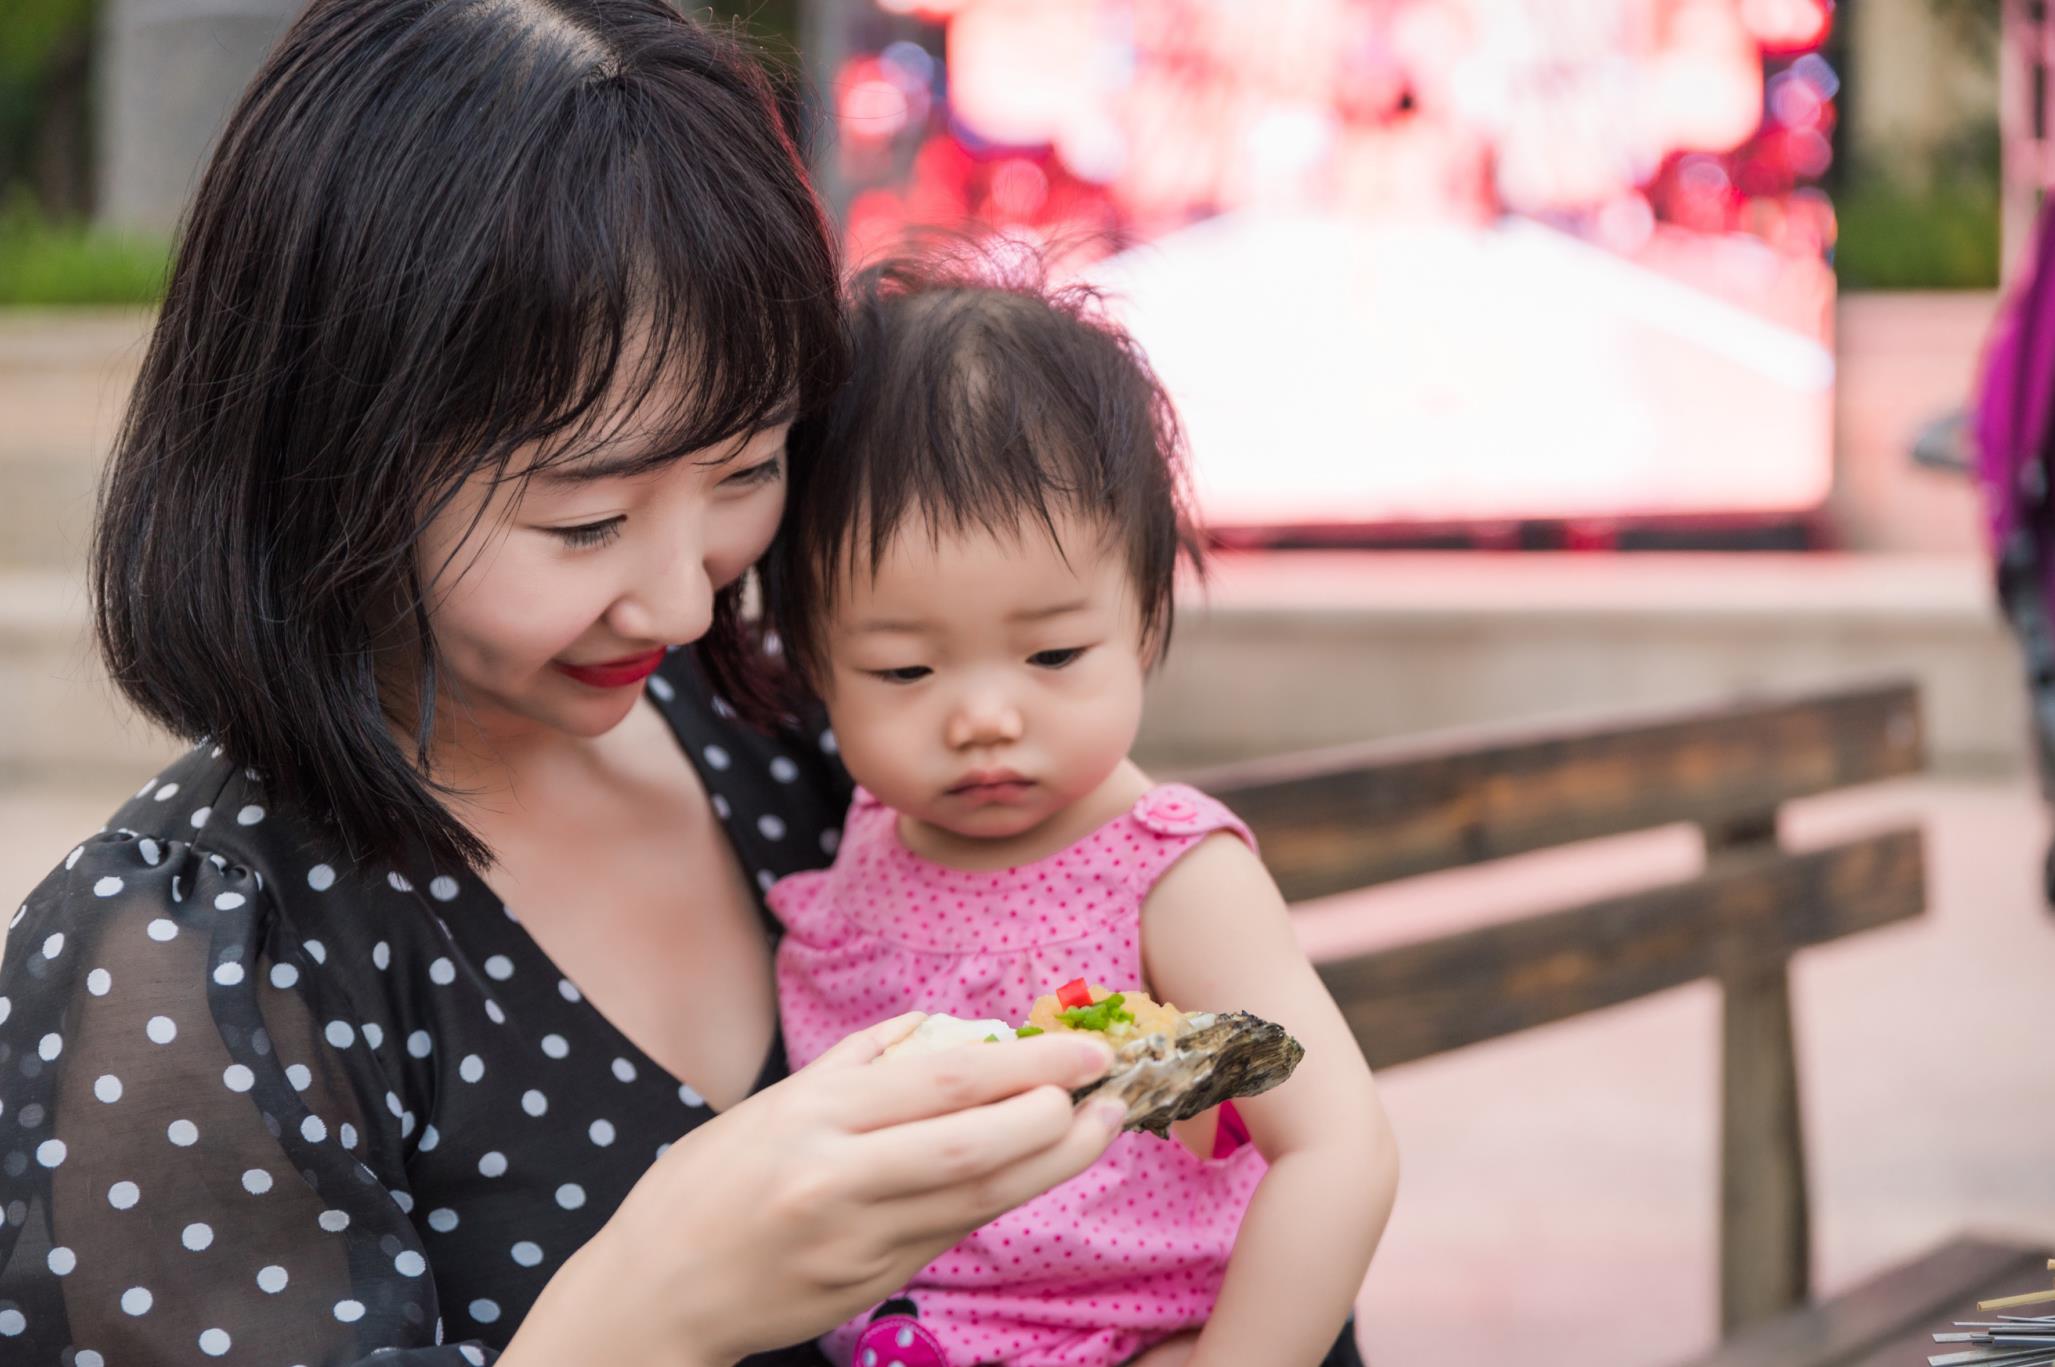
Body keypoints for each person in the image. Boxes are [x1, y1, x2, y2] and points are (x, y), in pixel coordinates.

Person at [0, 5, 1131, 1363]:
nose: (683, 597)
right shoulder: (194, 957)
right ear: (330, 462)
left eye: (744, 469)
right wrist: (651, 1304)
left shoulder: (813, 745)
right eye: (583, 522)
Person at [761, 256, 1402, 1367]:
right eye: (905, 670)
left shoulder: (1170, 876)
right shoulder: (871, 828)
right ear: (817, 656)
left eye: (1053, 652)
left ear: (1146, 617)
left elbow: (1339, 1147)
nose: (984, 717)